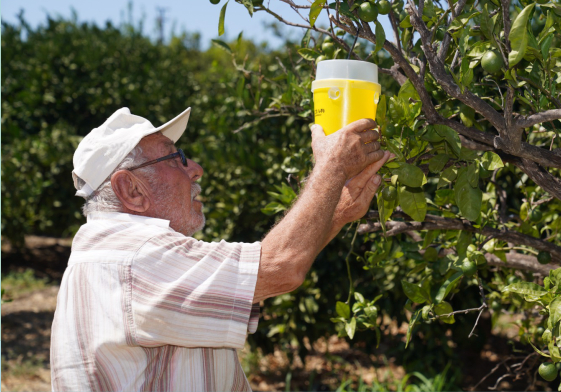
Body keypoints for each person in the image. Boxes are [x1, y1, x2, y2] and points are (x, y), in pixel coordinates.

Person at [50, 107, 390, 391]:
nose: (195, 168)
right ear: (131, 190)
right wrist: (331, 166)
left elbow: (256, 281)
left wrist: (338, 213)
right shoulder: (137, 258)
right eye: (176, 157)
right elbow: (280, 267)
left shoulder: (114, 252)